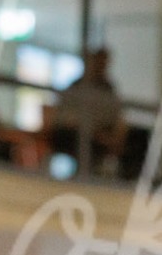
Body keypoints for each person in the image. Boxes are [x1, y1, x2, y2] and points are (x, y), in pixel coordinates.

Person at [51, 47, 130, 175]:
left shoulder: (109, 90)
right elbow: (65, 117)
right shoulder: (76, 86)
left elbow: (118, 117)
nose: (101, 66)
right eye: (98, 62)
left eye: (104, 63)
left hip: (101, 134)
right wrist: (93, 131)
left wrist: (115, 136)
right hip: (75, 132)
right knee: (83, 140)